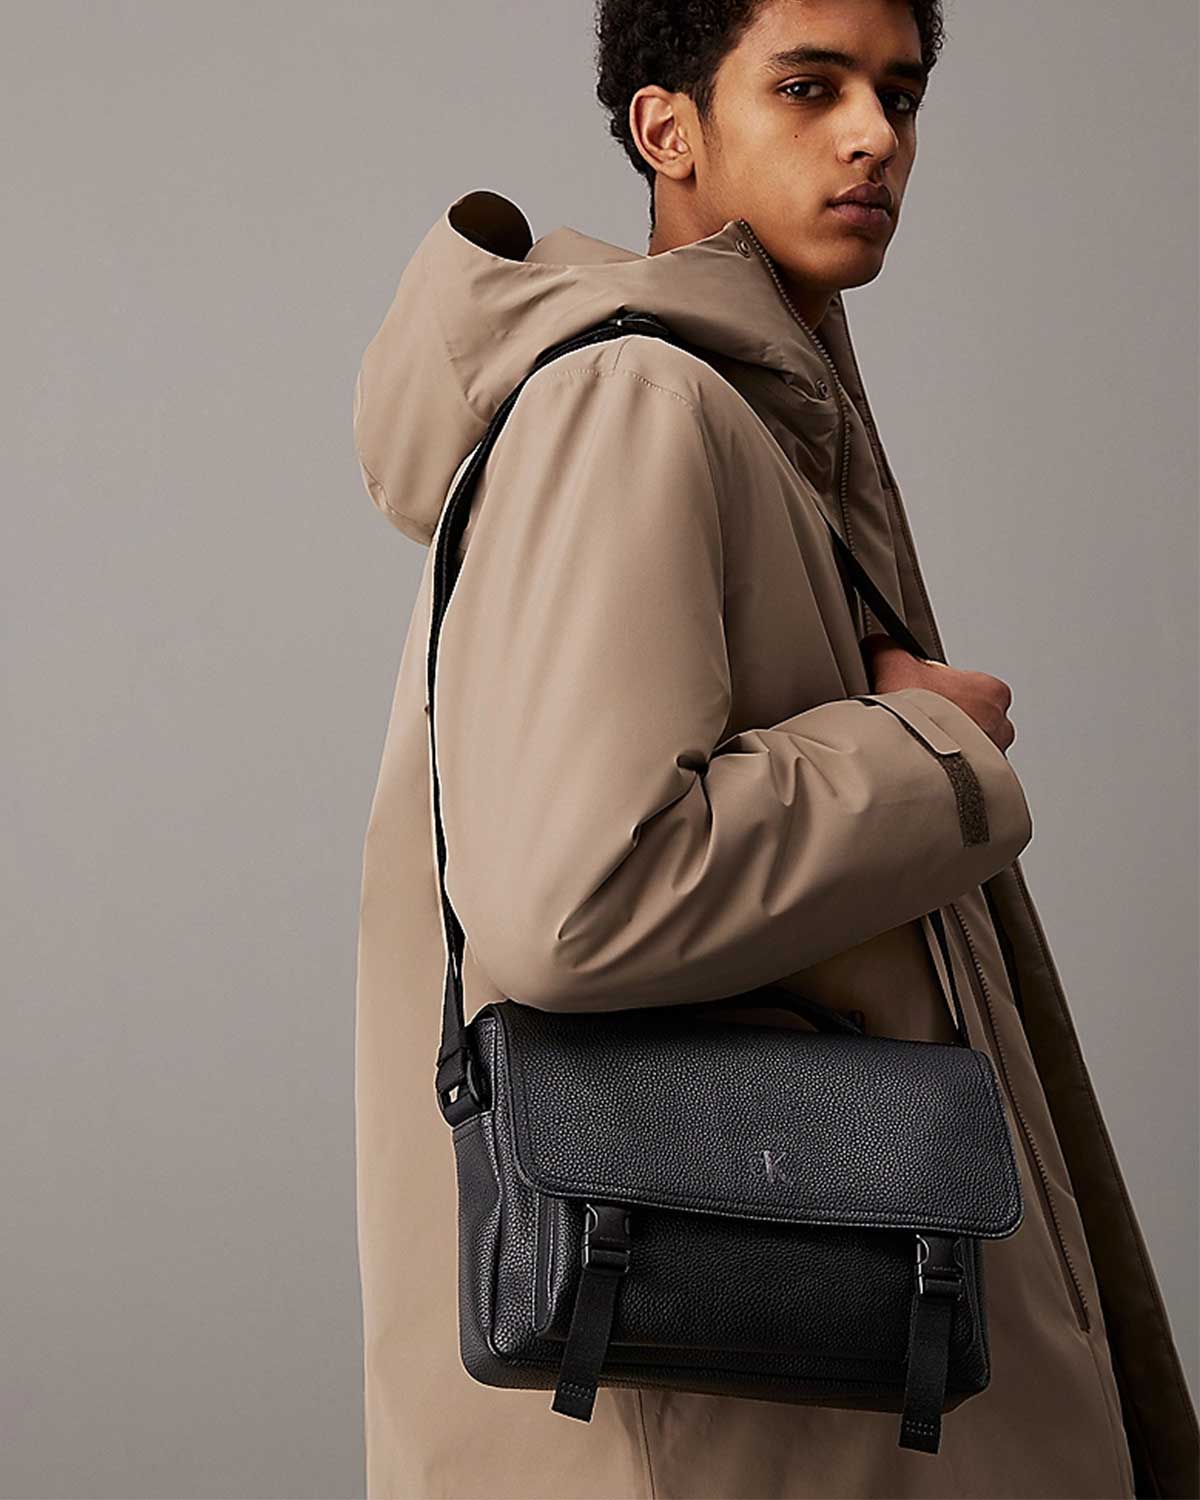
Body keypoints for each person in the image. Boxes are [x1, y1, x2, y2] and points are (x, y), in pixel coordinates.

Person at [350, 1, 1198, 1495]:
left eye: (899, 95)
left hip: (789, 1375)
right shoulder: (632, 401)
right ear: (665, 127)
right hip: (736, 1407)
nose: (875, 136)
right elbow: (577, 902)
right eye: (810, 87)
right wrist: (927, 753)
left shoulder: (754, 411)